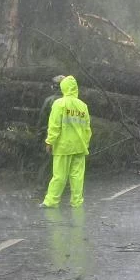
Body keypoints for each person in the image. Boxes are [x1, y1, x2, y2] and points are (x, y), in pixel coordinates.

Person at [40, 75, 92, 208]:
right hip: (79, 146)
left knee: (59, 176)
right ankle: (77, 202)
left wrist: (49, 141)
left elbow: (54, 126)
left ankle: (51, 201)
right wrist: (85, 144)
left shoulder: (59, 104)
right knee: (77, 177)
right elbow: (87, 129)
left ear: (63, 87)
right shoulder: (83, 106)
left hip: (63, 146)